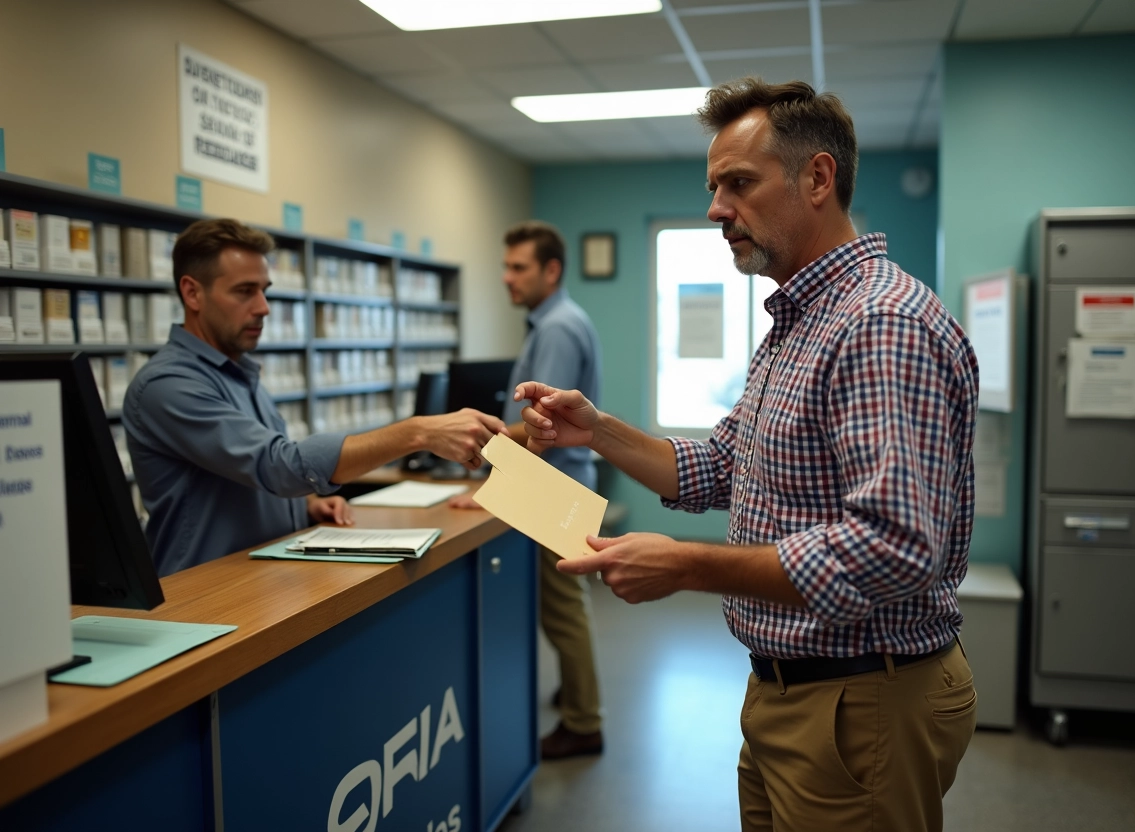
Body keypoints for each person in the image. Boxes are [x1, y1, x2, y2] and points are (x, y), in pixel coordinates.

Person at [514, 78, 979, 831]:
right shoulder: (800, 320)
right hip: (789, 690)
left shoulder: (879, 323)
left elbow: (892, 547)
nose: (716, 209)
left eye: (738, 184)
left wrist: (687, 566)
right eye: (713, 187)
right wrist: (597, 431)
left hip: (860, 699)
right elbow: (725, 465)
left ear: (818, 178)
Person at [124, 218, 505, 577]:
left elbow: (241, 474)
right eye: (244, 291)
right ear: (192, 293)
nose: (263, 307)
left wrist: (305, 504)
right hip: (202, 593)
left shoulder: (238, 372)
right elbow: (276, 465)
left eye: (264, 290)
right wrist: (417, 433)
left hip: (260, 579)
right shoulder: (168, 384)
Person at [451, 221, 605, 760]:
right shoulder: (557, 321)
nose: (506, 277)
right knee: (565, 606)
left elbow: (544, 426)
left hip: (551, 488)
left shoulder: (557, 328)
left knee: (563, 610)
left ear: (551, 270)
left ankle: (584, 722)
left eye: (518, 268)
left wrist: (489, 471)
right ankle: (575, 694)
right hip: (556, 483)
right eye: (506, 266)